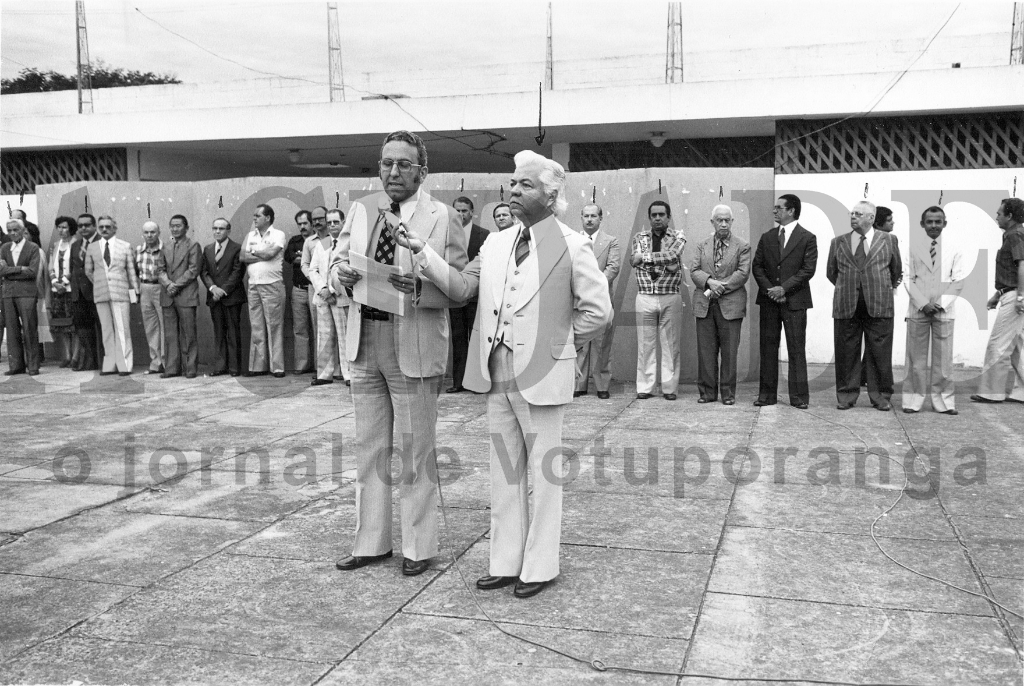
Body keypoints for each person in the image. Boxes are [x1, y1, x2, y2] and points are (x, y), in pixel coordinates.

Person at [397, 149, 611, 597]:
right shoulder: (495, 243)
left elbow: (598, 311)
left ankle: (540, 566)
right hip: (496, 372)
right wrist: (423, 254)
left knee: (544, 476)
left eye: (525, 185)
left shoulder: (571, 243)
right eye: (512, 184)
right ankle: (505, 560)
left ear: (551, 196)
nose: (513, 191)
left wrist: (558, 348)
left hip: (543, 375)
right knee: (504, 471)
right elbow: (462, 287)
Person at [331, 130, 468, 577]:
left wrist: (424, 287)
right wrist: (342, 278)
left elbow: (462, 287)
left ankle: (417, 547)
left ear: (422, 171)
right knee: (369, 447)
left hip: (414, 340)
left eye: (403, 164)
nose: (393, 171)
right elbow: (333, 264)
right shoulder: (362, 208)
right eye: (387, 162)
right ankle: (371, 542)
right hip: (365, 337)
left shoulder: (443, 216)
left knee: (415, 449)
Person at [827, 201, 902, 411]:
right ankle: (846, 396)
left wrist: (876, 287)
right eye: (852, 213)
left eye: (858, 214)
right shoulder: (838, 242)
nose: (853, 217)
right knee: (845, 353)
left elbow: (895, 270)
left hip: (879, 304)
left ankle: (880, 397)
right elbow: (831, 272)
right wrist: (851, 288)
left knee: (880, 354)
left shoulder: (889, 240)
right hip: (847, 305)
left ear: (871, 218)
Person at [752, 194, 817, 408]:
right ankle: (766, 396)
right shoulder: (767, 236)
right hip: (769, 300)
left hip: (795, 301)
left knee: (796, 349)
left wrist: (784, 288)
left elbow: (808, 270)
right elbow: (757, 266)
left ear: (791, 210)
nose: (774, 211)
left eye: (779, 208)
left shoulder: (808, 237)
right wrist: (770, 289)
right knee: (768, 348)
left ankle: (798, 397)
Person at [903, 206, 964, 414]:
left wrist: (940, 304)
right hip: (918, 310)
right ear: (922, 224)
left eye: (938, 222)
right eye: (929, 222)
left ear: (945, 223)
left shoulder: (954, 248)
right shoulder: (913, 247)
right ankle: (913, 401)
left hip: (943, 312)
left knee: (943, 362)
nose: (934, 226)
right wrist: (923, 303)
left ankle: (944, 402)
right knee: (916, 361)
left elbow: (958, 280)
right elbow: (908, 279)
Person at [691, 205, 751, 405]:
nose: (723, 223)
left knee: (730, 351)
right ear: (712, 222)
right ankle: (707, 393)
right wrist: (709, 281)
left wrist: (719, 287)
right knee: (706, 351)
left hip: (731, 305)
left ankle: (728, 394)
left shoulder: (742, 246)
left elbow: (742, 274)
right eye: (719, 220)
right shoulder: (702, 245)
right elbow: (694, 270)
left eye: (727, 220)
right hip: (705, 304)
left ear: (732, 222)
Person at [631, 200, 686, 400]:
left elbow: (673, 255)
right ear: (649, 217)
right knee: (645, 344)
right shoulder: (639, 236)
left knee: (671, 344)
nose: (657, 218)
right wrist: (665, 260)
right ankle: (645, 388)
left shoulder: (678, 235)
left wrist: (644, 258)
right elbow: (633, 260)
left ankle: (669, 389)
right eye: (653, 215)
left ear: (668, 217)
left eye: (661, 215)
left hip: (670, 294)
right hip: (645, 295)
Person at [971, 198, 1024, 404]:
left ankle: (991, 392)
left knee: (998, 344)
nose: (997, 216)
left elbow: (1022, 266)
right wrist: (997, 295)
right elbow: (1011, 269)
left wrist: (1020, 296)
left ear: (1010, 216)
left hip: (1016, 296)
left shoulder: (1016, 235)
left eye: (1000, 213)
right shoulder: (1013, 234)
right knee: (1018, 346)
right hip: (1011, 293)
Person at [574, 203, 620, 399]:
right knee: (580, 342)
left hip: (602, 298)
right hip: (577, 299)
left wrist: (594, 285)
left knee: (602, 344)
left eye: (594, 216)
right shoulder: (572, 240)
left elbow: (613, 267)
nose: (590, 219)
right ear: (581, 218)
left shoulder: (611, 241)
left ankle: (602, 385)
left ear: (600, 218)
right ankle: (578, 384)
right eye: (586, 216)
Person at [85, 215, 139, 376]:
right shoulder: (92, 247)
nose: (104, 229)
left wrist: (135, 291)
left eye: (108, 227)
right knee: (106, 330)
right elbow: (88, 271)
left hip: (120, 293)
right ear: (98, 228)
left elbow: (131, 271)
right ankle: (109, 364)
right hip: (101, 293)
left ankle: (124, 365)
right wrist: (101, 283)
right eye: (101, 227)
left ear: (114, 228)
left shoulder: (125, 246)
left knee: (123, 330)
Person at [447, 196, 490, 393]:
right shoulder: (447, 233)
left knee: (476, 339)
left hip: (475, 295)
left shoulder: (484, 235)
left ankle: (475, 381)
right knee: (457, 337)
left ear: (472, 212)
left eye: (464, 211)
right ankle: (458, 382)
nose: (460, 214)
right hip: (454, 294)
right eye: (457, 210)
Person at [242, 203, 287, 378]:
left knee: (274, 327)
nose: (254, 219)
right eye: (254, 216)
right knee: (257, 326)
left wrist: (253, 251)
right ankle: (258, 366)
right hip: (253, 285)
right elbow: (242, 257)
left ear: (267, 218)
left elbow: (271, 255)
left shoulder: (278, 234)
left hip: (272, 284)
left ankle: (277, 367)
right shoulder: (250, 235)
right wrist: (261, 251)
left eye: (257, 216)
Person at [309, 209, 350, 387]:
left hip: (341, 296)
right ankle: (325, 374)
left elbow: (347, 269)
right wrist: (323, 289)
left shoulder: (348, 242)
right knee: (324, 336)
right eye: (330, 222)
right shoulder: (323, 243)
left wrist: (333, 290)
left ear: (343, 222)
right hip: (323, 297)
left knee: (344, 336)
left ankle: (349, 375)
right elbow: (313, 269)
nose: (332, 225)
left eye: (336, 222)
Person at [200, 218, 245, 377]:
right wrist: (213, 288)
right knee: (218, 332)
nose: (217, 231)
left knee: (233, 332)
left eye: (221, 228)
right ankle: (220, 366)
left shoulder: (237, 248)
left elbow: (237, 273)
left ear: (228, 230)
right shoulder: (208, 249)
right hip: (214, 298)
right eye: (215, 228)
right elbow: (204, 272)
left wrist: (223, 290)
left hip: (231, 297)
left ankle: (234, 367)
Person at [158, 214, 202, 379]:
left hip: (186, 294)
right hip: (168, 295)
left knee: (188, 333)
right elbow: (159, 269)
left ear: (186, 227)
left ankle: (190, 368)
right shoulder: (166, 246)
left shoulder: (193, 245)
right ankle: (171, 368)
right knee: (170, 334)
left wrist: (176, 285)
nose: (175, 229)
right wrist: (168, 284)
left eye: (178, 226)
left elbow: (193, 269)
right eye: (172, 226)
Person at [1, 219, 42, 375]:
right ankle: (16, 365)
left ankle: (33, 365)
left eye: (15, 230)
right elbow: (0, 270)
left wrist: (8, 270)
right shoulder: (5, 248)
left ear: (22, 230)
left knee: (29, 328)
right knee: (11, 330)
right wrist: (19, 269)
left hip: (27, 293)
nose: (12, 233)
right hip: (8, 293)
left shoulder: (32, 247)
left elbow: (32, 271)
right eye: (9, 230)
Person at [69, 214, 103, 371]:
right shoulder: (75, 245)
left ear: (94, 226)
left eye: (87, 225)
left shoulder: (102, 243)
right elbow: (73, 269)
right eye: (80, 225)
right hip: (79, 294)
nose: (83, 228)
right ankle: (89, 361)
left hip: (97, 292)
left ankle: (104, 363)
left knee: (103, 328)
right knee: (83, 329)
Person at [300, 206, 332, 374]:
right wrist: (315, 280)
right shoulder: (309, 242)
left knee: (339, 330)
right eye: (314, 219)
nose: (317, 222)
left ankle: (340, 371)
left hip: (336, 289)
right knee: (320, 329)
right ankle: (322, 369)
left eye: (320, 218)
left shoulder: (335, 237)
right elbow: (304, 264)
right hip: (316, 288)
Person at [286, 210, 315, 374]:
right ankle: (302, 366)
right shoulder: (294, 241)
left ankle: (321, 366)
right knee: (300, 329)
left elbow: (308, 260)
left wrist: (302, 257)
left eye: (305, 223)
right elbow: (290, 258)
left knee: (320, 328)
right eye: (299, 224)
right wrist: (307, 258)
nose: (302, 227)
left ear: (311, 223)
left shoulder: (320, 241)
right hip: (298, 290)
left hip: (315, 289)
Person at [135, 221, 166, 375]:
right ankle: (156, 362)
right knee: (151, 327)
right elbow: (134, 273)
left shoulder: (165, 249)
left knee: (164, 325)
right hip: (144, 288)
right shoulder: (139, 250)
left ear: (158, 232)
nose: (149, 235)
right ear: (143, 234)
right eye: (146, 232)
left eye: (152, 232)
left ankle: (167, 363)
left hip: (160, 288)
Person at [47, 216, 78, 368]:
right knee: (62, 325)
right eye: (59, 227)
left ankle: (76, 356)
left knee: (74, 325)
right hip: (57, 290)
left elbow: (75, 266)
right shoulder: (55, 245)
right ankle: (67, 355)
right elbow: (50, 266)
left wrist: (64, 282)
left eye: (65, 227)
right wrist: (54, 282)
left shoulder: (76, 244)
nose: (61, 230)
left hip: (70, 289)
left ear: (71, 228)